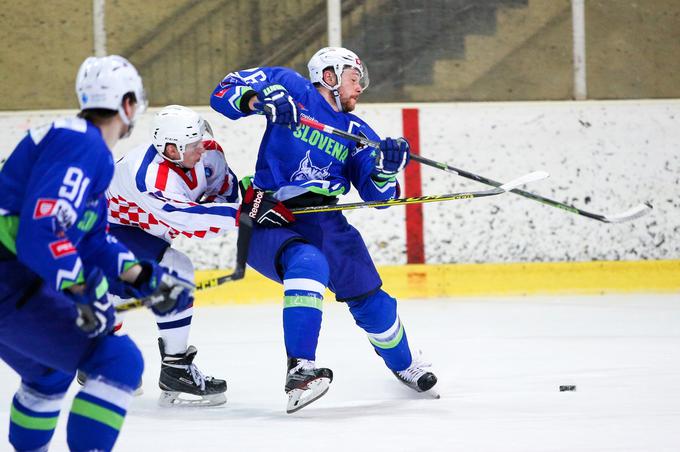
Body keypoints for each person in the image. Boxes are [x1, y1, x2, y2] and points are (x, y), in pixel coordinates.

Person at [210, 47, 438, 413]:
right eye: (353, 78)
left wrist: (386, 167)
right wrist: (259, 102)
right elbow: (222, 92)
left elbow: (378, 196)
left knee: (371, 300)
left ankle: (405, 364)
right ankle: (300, 369)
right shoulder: (290, 88)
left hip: (325, 219)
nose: (360, 87)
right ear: (329, 76)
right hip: (269, 214)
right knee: (307, 263)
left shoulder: (357, 132)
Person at [0, 55, 194, 452]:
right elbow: (43, 230)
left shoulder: (88, 150)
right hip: (10, 283)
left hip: (13, 281)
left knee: (49, 375)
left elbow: (91, 240)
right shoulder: (81, 144)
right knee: (118, 362)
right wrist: (80, 291)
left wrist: (144, 278)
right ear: (127, 104)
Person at [104, 104, 239, 406]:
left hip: (143, 233)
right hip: (106, 230)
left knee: (123, 292)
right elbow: (189, 221)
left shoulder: (208, 151)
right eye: (192, 145)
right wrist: (244, 216)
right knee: (175, 269)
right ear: (171, 149)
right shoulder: (149, 176)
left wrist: (249, 202)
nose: (201, 148)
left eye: (201, 140)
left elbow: (225, 190)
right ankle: (174, 368)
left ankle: (99, 353)